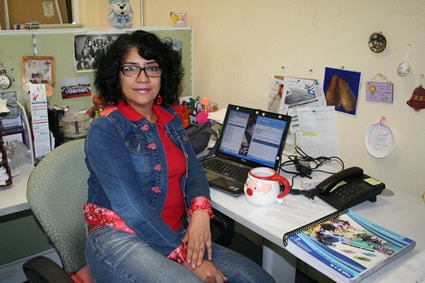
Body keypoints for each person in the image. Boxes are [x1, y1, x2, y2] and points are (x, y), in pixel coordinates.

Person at [84, 30, 275, 283]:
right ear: (116, 75)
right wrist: (182, 256)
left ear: (163, 74)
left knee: (257, 279)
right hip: (120, 237)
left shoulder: (170, 119)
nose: (143, 78)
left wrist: (200, 214)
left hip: (176, 232)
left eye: (152, 68)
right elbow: (130, 207)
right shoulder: (106, 128)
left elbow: (194, 171)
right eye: (131, 68)